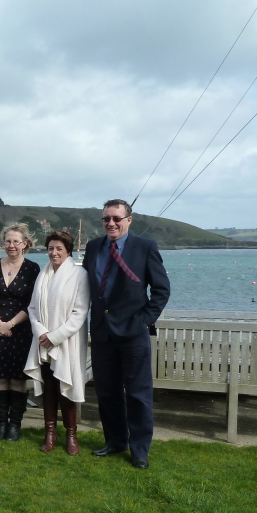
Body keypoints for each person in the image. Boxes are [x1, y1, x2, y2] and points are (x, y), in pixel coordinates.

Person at [83, 199, 170, 469]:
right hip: (101, 334)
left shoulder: (145, 248)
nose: (111, 223)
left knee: (138, 395)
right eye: (106, 219)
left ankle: (140, 449)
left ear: (129, 220)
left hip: (133, 334)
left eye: (117, 219)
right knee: (107, 393)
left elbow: (161, 289)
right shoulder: (94, 247)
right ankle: (115, 441)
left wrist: (144, 320)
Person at [24, 230, 90, 455]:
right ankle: (49, 433)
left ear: (68, 251)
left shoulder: (79, 275)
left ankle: (71, 435)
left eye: (59, 248)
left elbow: (80, 313)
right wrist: (41, 332)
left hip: (66, 342)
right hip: (43, 341)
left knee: (66, 387)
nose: (54, 252)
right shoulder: (43, 275)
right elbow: (32, 308)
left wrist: (55, 336)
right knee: (50, 388)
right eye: (50, 248)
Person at [0, 224, 40, 441]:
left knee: (18, 380)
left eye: (16, 241)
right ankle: (0, 425)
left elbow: (32, 302)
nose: (11, 245)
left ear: (25, 244)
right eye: (8, 241)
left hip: (21, 330)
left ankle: (15, 425)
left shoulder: (32, 269)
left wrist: (10, 324)